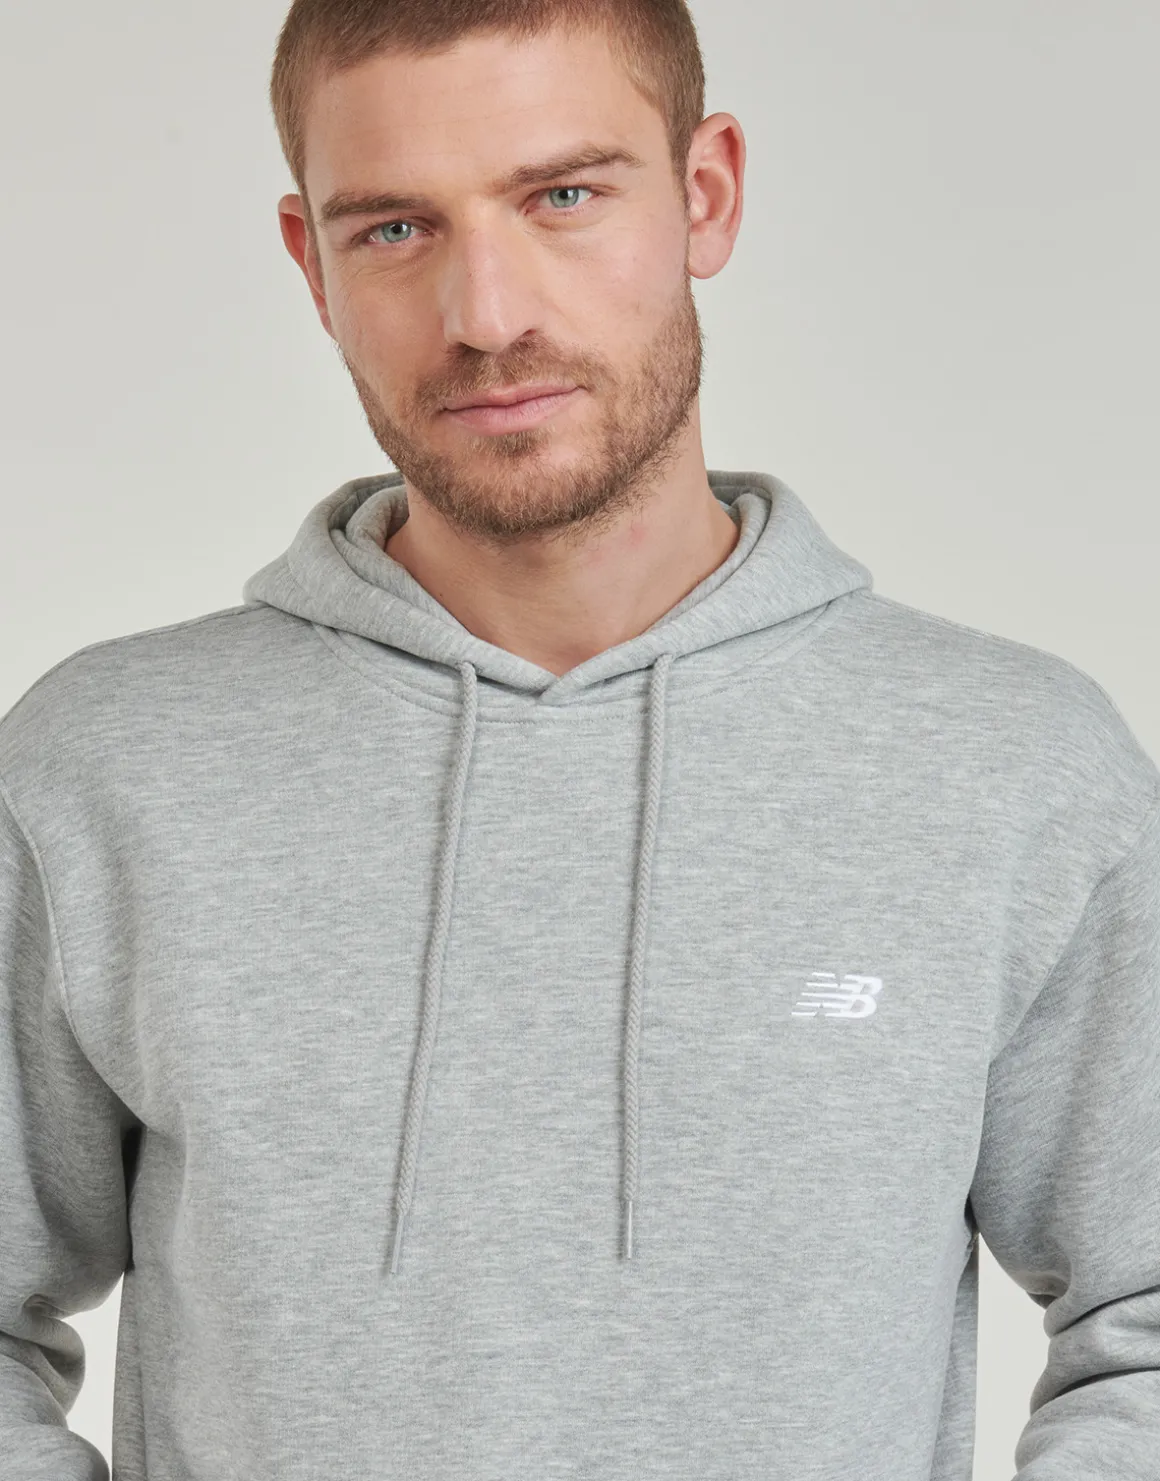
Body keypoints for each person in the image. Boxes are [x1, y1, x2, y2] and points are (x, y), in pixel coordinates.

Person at [1, 0, 1157, 1477]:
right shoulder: (105, 771)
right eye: (395, 229)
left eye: (561, 196)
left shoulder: (1014, 770)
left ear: (705, 194)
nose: (488, 315)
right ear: (311, 264)